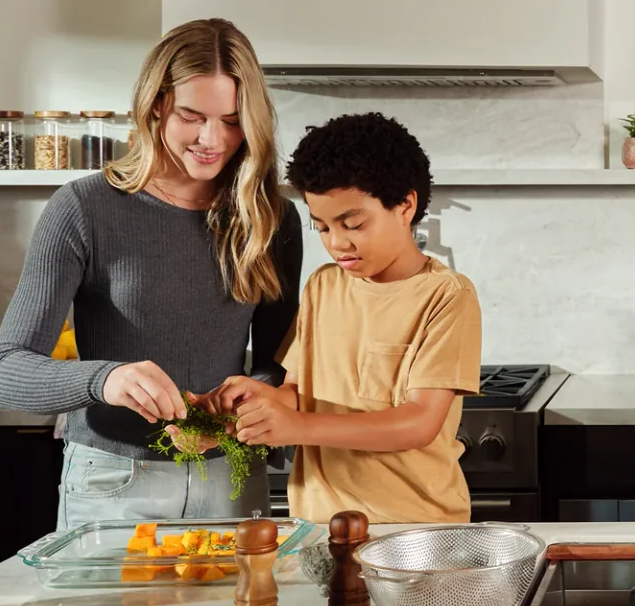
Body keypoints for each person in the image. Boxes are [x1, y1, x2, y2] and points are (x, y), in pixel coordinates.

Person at [0, 19, 302, 530]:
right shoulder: (83, 209)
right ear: (156, 104)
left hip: (230, 482)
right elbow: (7, 374)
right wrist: (106, 379)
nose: (211, 139)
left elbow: (278, 367)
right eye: (191, 116)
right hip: (112, 485)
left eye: (231, 119)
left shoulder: (269, 216)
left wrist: (233, 412)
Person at [205, 112, 483, 525]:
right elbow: (300, 393)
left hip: (412, 530)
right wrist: (250, 406)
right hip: (316, 528)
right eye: (321, 227)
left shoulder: (446, 296)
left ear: (405, 205)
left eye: (352, 224)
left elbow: (418, 423)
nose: (337, 243)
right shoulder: (323, 286)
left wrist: (295, 427)